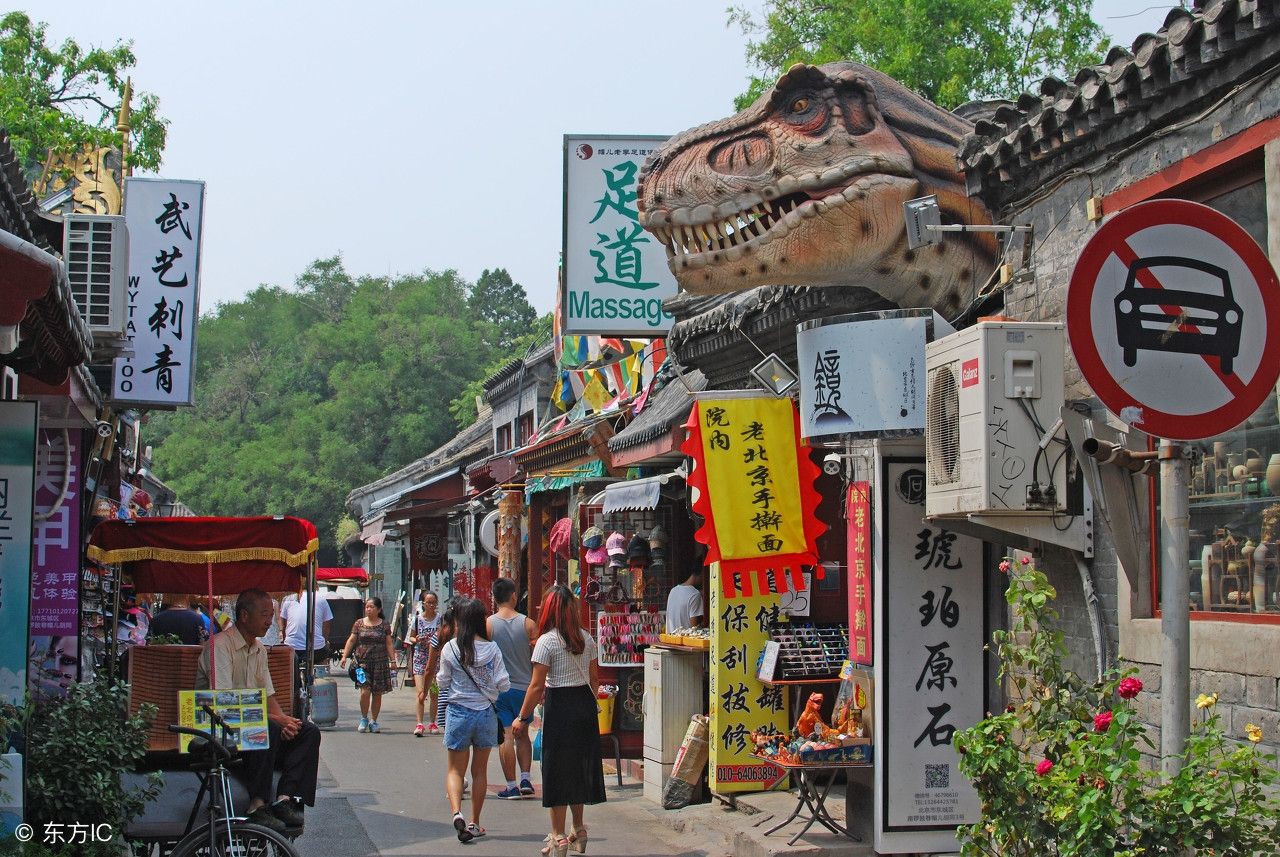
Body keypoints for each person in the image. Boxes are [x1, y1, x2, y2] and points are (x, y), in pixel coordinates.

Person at [195, 588, 321, 835]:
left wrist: (285, 721)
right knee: (267, 725)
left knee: (308, 733)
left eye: (271, 614)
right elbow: (223, 701)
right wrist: (276, 720)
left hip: (252, 726)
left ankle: (285, 798)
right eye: (264, 614)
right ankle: (258, 803)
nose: (270, 621)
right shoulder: (220, 646)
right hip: (216, 726)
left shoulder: (259, 649)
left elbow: (267, 695)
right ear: (244, 616)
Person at [511, 585, 606, 857]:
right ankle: (579, 828)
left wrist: (522, 717)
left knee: (556, 771)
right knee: (577, 768)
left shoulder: (547, 642)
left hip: (560, 707)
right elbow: (595, 679)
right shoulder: (586, 639)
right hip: (584, 707)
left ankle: (559, 836)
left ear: (550, 610)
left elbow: (536, 686)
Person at [436, 597, 510, 843]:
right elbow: (504, 683)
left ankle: (457, 812)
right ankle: (475, 822)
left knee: (455, 769)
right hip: (485, 714)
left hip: (458, 711)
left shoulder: (451, 648)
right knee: (479, 771)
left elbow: (442, 681)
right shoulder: (492, 649)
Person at [487, 578, 537, 799]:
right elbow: (537, 659)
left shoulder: (488, 625)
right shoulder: (528, 624)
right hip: (525, 690)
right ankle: (526, 778)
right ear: (514, 595)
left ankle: (511, 785)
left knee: (506, 736)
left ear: (494, 597)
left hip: (500, 691)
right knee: (523, 735)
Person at [338, 597, 397, 734]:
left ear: (379, 609)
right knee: (365, 691)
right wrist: (344, 657)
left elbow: (389, 643)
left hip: (380, 664)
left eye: (372, 607)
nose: (368, 609)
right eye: (367, 607)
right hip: (361, 664)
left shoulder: (384, 625)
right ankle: (364, 718)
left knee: (377, 693)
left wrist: (393, 660)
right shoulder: (359, 624)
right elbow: (352, 640)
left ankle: (373, 721)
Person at [407, 590, 442, 736]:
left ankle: (433, 722)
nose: (431, 605)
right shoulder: (418, 619)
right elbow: (411, 638)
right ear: (424, 604)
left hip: (436, 657)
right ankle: (420, 723)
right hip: (421, 657)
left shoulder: (440, 619)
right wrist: (418, 640)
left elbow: (445, 635)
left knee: (434, 692)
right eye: (429, 602)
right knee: (421, 692)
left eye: (434, 602)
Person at [665, 568, 705, 633]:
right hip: (686, 641)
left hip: (670, 640)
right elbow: (694, 628)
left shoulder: (673, 590)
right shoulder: (694, 594)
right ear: (700, 574)